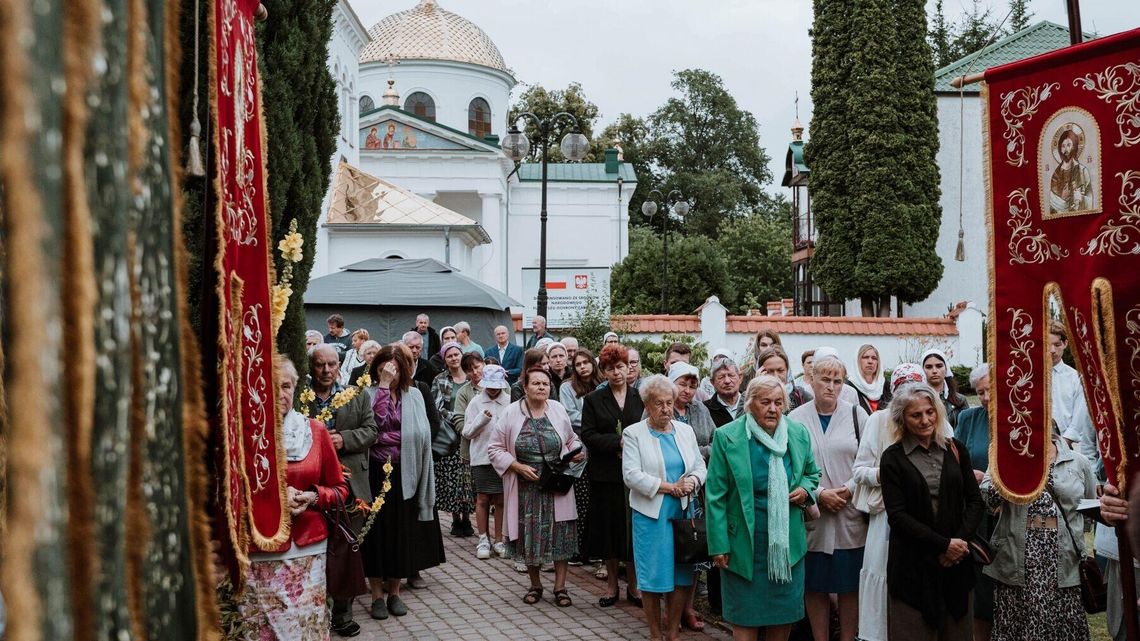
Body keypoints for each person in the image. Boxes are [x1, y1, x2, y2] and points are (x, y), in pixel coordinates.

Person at [706, 375, 822, 641]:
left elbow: (812, 473)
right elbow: (715, 495)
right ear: (750, 404)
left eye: (779, 403)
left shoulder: (797, 433)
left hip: (786, 548)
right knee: (745, 618)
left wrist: (804, 489)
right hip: (744, 547)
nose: (773, 409)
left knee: (782, 619)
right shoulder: (727, 437)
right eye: (766, 402)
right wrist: (719, 544)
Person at [242, 355, 349, 639]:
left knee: (306, 632)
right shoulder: (242, 435)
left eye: (286, 386)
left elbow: (340, 489)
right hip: (259, 551)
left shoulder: (314, 430)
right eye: (271, 387)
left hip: (308, 552)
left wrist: (311, 497)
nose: (281, 394)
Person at [881, 382, 983, 641]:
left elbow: (974, 501)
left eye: (930, 412)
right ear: (902, 418)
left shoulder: (956, 448)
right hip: (912, 568)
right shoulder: (893, 458)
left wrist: (957, 544)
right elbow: (897, 515)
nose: (925, 420)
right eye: (916, 415)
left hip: (956, 568)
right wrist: (942, 545)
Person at [980, 430, 1095, 641]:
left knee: (1062, 626)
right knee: (1017, 625)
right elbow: (987, 499)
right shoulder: (1006, 457)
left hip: (1063, 560)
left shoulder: (1078, 462)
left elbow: (1087, 510)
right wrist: (1013, 467)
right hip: (1018, 558)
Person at [488, 367, 585, 607]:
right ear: (525, 386)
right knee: (530, 535)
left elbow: (571, 438)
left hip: (556, 482)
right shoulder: (511, 413)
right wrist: (516, 466)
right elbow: (495, 448)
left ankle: (560, 587)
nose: (542, 387)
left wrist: (577, 452)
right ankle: (535, 584)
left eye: (545, 383)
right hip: (525, 486)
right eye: (536, 383)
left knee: (560, 534)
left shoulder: (558, 409)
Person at [788, 355, 868, 641]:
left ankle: (848, 638)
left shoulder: (858, 415)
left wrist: (847, 489)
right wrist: (819, 494)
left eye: (837, 381)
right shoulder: (795, 419)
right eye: (825, 379)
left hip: (850, 513)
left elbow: (869, 460)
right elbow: (790, 466)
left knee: (849, 585)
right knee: (815, 584)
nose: (831, 387)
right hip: (813, 514)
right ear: (811, 380)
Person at [362, 344, 445, 620]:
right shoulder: (368, 393)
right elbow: (373, 429)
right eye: (386, 367)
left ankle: (395, 592)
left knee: (400, 533)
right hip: (375, 472)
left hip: (405, 471)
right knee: (375, 534)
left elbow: (421, 433)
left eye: (396, 368)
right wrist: (383, 387)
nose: (391, 372)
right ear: (377, 368)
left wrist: (391, 437)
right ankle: (376, 595)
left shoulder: (416, 395)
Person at [624, 374, 708, 641]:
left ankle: (672, 631)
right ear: (647, 405)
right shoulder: (633, 433)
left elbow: (699, 466)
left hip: (683, 512)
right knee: (652, 574)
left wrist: (692, 481)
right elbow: (631, 475)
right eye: (659, 403)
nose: (666, 409)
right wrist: (669, 487)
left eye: (669, 402)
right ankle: (655, 633)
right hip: (651, 513)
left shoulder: (685, 431)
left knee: (681, 572)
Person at [850, 363, 930, 641]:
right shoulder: (878, 420)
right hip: (886, 514)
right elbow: (859, 471)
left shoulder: (935, 421)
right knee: (883, 574)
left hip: (926, 517)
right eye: (903, 391)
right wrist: (887, 475)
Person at [307, 344, 379, 637]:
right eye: (320, 365)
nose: (326, 371)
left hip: (352, 485)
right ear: (312, 367)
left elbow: (372, 431)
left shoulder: (357, 394)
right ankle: (315, 613)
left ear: (340, 365)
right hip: (313, 485)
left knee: (347, 548)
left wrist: (344, 439)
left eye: (331, 364)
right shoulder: (303, 398)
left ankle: (343, 614)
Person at [582, 343, 646, 606]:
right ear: (604, 371)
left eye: (621, 367)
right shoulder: (594, 399)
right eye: (611, 369)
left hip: (635, 475)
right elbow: (587, 434)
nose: (617, 373)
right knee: (609, 532)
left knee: (631, 531)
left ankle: (634, 586)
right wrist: (617, 442)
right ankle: (611, 587)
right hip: (606, 474)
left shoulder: (640, 396)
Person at [666, 361, 715, 631]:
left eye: (692, 385)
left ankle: (687, 607)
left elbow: (714, 441)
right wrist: (694, 452)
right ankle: (669, 608)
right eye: (682, 384)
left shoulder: (700, 409)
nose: (687, 390)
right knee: (670, 552)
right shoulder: (660, 406)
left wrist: (696, 453)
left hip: (697, 490)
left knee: (693, 551)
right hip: (669, 490)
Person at [955, 364, 995, 641]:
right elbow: (953, 459)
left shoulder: (1019, 419)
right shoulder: (968, 418)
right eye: (980, 392)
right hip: (975, 513)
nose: (984, 397)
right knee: (980, 588)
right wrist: (969, 476)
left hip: (1007, 513)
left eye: (990, 390)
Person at [462, 364, 511, 560]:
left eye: (496, 385)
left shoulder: (509, 401)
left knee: (500, 499)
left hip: (504, 457)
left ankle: (499, 539)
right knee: (482, 498)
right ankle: (483, 538)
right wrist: (482, 419)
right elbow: (467, 432)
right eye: (489, 385)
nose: (493, 389)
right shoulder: (475, 403)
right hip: (481, 457)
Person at [559, 347, 602, 563]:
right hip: (580, 450)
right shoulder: (567, 387)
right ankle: (578, 549)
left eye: (586, 362)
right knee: (580, 501)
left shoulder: (602, 385)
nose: (583, 367)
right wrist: (595, 418)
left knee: (598, 502)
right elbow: (569, 415)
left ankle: (595, 549)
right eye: (578, 364)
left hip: (602, 450)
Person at [431, 341, 474, 537]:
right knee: (452, 480)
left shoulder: (472, 376)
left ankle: (468, 517)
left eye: (457, 354)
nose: (454, 358)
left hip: (471, 433)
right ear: (444, 359)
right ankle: (456, 519)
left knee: (468, 478)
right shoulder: (440, 379)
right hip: (450, 436)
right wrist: (457, 418)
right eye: (449, 356)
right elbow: (437, 406)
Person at [1048, 321, 1095, 460]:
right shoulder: (1032, 376)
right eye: (1048, 345)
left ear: (1065, 344)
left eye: (1057, 345)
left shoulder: (1076, 378)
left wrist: (1062, 445)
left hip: (1068, 448)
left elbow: (1079, 416)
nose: (1052, 350)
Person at [1048, 128, 1093, 214]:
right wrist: (1062, 197)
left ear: (1074, 147)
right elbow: (1051, 206)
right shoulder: (1055, 175)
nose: (1065, 150)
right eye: (1063, 146)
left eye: (1068, 145)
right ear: (1060, 149)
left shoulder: (1083, 171)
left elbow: (1091, 200)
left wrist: (1081, 198)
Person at [921, 348, 969, 428]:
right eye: (929, 367)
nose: (934, 371)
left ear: (946, 368)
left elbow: (967, 430)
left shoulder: (960, 400)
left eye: (939, 366)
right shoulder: (916, 400)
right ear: (922, 370)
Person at [756, 347, 812, 413]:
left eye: (780, 370)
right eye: (770, 371)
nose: (775, 376)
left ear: (788, 371)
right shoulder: (748, 396)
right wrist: (758, 389)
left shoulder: (801, 396)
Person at [848, 344, 891, 414]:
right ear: (857, 360)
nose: (870, 361)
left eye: (874, 358)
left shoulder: (886, 387)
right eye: (866, 357)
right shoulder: (849, 387)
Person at [704, 356, 744, 427]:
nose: (727, 381)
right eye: (721, 377)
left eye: (731, 375)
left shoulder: (752, 403)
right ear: (712, 382)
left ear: (740, 378)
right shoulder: (705, 409)